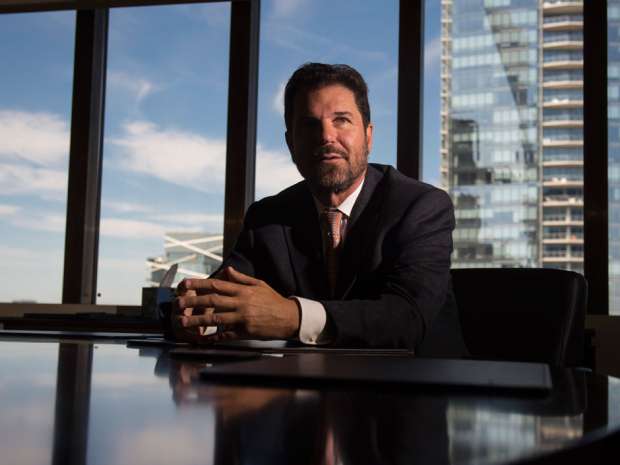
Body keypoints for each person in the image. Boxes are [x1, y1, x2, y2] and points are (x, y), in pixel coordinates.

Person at [173, 63, 467, 356]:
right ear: (290, 143)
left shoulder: (421, 206)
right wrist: (193, 316)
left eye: (341, 120)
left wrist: (294, 316)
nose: (326, 136)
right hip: (305, 380)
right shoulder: (267, 217)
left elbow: (407, 318)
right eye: (309, 124)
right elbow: (213, 299)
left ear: (368, 136)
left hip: (417, 378)